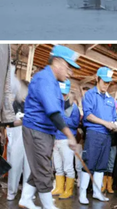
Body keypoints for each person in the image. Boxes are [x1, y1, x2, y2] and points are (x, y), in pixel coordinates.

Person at [19, 45, 79, 209]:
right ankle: (48, 206)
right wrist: (70, 135)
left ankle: (25, 198)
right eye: (68, 68)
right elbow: (53, 112)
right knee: (44, 169)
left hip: (45, 131)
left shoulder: (53, 82)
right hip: (36, 129)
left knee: (39, 166)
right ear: (58, 62)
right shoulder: (45, 78)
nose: (70, 73)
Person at [79, 66, 117, 205]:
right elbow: (88, 115)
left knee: (102, 166)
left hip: (107, 136)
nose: (106, 85)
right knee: (89, 163)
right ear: (97, 78)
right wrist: (105, 123)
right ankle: (82, 193)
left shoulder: (110, 99)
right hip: (94, 133)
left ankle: (97, 192)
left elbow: (113, 118)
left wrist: (114, 126)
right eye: (104, 81)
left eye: (108, 82)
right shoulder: (90, 95)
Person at [51, 80, 81, 200]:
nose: (62, 96)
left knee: (68, 167)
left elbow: (74, 123)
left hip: (66, 140)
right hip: (55, 139)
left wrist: (60, 119)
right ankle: (59, 188)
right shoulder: (55, 105)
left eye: (64, 93)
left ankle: (68, 190)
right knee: (57, 166)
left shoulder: (74, 108)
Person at [6, 72, 30, 202]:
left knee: (28, 168)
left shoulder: (31, 105)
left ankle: (26, 195)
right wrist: (22, 121)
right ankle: (11, 192)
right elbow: (10, 121)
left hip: (29, 136)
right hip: (16, 136)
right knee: (14, 167)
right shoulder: (13, 104)